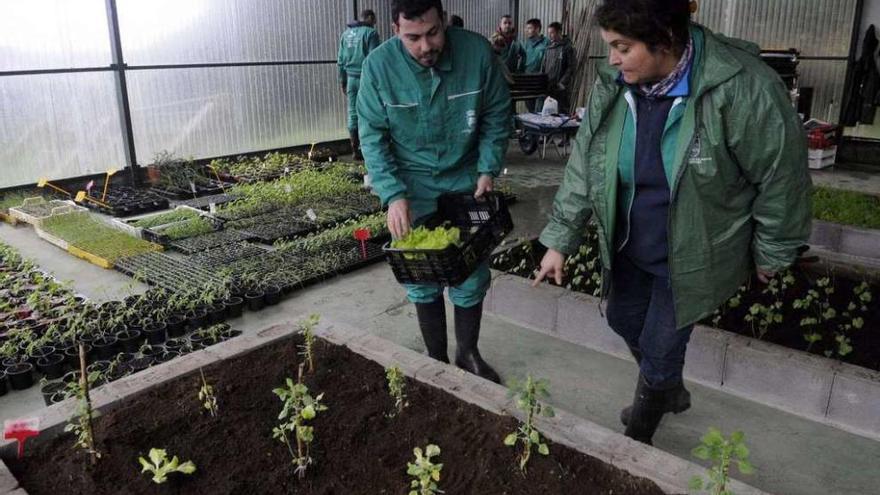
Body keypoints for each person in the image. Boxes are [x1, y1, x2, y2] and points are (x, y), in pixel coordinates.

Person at [534, 0, 811, 445]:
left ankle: (638, 436)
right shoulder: (617, 87)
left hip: (694, 250)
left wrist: (773, 251)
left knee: (662, 347)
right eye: (611, 47)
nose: (613, 59)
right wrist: (559, 241)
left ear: (664, 39)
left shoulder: (740, 87)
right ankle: (669, 389)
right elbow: (586, 168)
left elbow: (782, 176)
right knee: (624, 319)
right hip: (633, 243)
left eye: (623, 47)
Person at [358, 0, 511, 383]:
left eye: (433, 33)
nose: (425, 46)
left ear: (443, 22)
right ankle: (436, 356)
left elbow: (496, 113)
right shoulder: (379, 67)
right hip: (412, 185)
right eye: (413, 38)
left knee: (470, 268)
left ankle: (468, 354)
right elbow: (372, 137)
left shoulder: (476, 53)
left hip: (464, 179)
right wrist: (393, 193)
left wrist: (487, 166)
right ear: (396, 30)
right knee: (419, 270)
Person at [337, 9, 381, 160]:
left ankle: (354, 149)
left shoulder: (345, 34)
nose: (375, 24)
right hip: (365, 79)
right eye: (374, 20)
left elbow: (341, 61)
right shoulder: (370, 33)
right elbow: (374, 59)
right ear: (369, 18)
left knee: (352, 113)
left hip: (350, 79)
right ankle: (368, 149)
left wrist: (342, 80)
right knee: (368, 113)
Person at [541, 22, 576, 114]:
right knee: (548, 112)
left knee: (562, 112)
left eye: (552, 33)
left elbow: (571, 67)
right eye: (549, 33)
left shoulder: (567, 47)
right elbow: (544, 67)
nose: (550, 36)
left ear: (559, 32)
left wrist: (562, 83)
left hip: (561, 87)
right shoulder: (548, 48)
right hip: (549, 86)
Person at [521, 18, 550, 112]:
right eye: (526, 28)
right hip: (527, 80)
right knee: (530, 107)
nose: (527, 31)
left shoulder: (546, 42)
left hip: (540, 80)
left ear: (537, 29)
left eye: (529, 28)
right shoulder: (526, 44)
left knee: (540, 108)